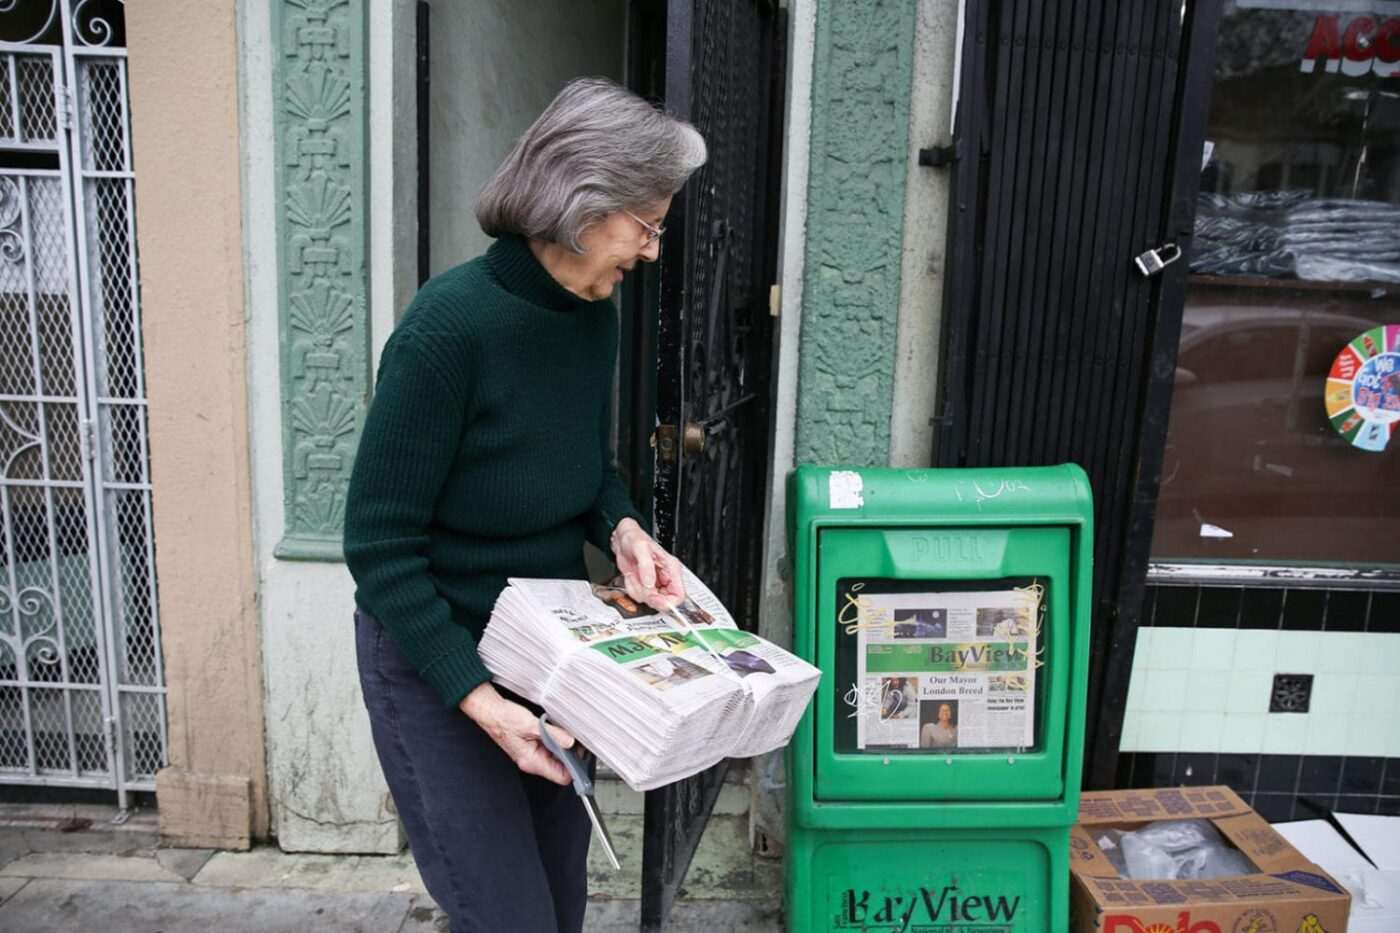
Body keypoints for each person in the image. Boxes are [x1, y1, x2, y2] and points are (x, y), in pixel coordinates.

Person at [344, 78, 705, 933]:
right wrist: (477, 698)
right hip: (434, 657)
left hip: (545, 651)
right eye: (645, 225)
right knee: (507, 916)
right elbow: (378, 543)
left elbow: (588, 464)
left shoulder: (591, 315)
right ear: (583, 205)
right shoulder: (447, 330)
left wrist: (619, 525)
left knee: (561, 905)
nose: (653, 250)